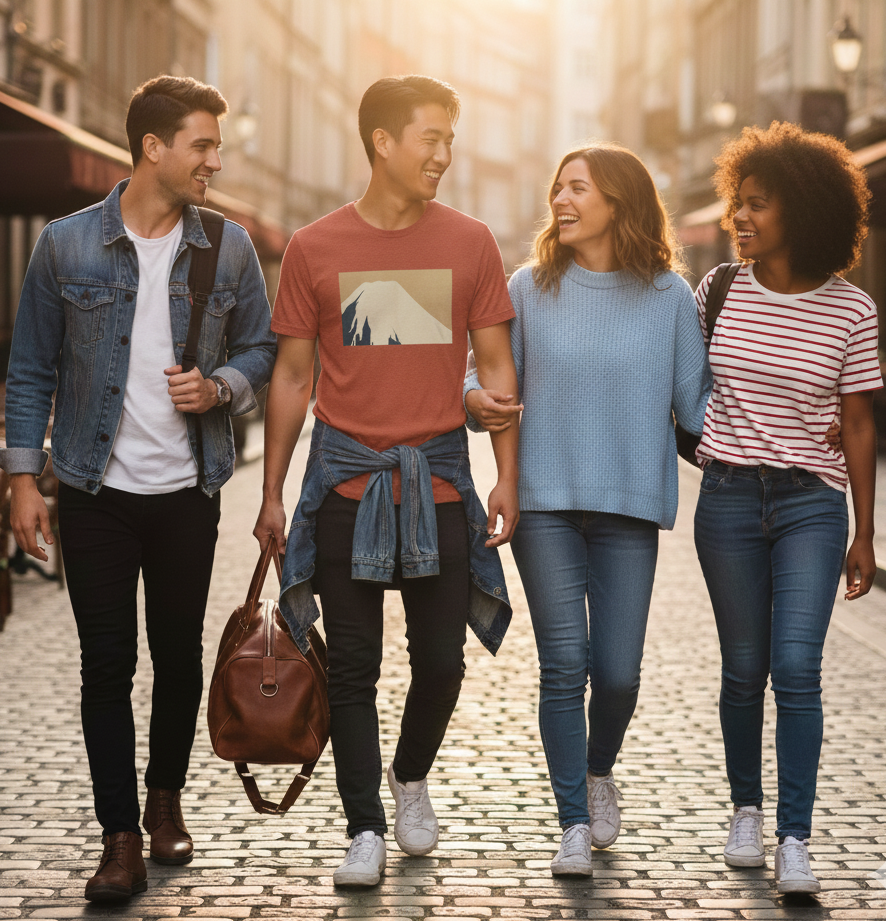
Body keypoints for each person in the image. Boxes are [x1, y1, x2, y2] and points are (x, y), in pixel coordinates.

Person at [0, 75, 276, 902]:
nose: (215, 163)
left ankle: (164, 796)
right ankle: (119, 834)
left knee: (178, 656)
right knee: (104, 663)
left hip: (189, 486)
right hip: (94, 486)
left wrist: (221, 386)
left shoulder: (227, 246)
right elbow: (31, 368)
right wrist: (21, 478)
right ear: (153, 148)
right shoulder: (66, 245)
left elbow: (265, 349)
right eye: (202, 145)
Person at [253, 74, 520, 888]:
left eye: (450, 139)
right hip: (345, 486)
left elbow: (500, 367)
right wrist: (269, 491)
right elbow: (294, 377)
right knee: (352, 669)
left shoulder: (471, 241)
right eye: (430, 138)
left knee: (443, 662)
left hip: (438, 483)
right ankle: (364, 824)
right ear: (382, 142)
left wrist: (506, 476)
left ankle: (410, 777)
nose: (444, 154)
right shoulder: (314, 247)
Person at [464, 143, 711, 876]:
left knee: (621, 673)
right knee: (563, 662)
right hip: (545, 504)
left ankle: (599, 767)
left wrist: (802, 417)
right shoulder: (528, 288)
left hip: (629, 507)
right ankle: (573, 818)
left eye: (578, 188)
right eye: (558, 188)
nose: (561, 201)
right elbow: (483, 381)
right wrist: (472, 402)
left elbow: (699, 410)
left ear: (619, 203)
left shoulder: (669, 296)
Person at [692, 122, 881, 895]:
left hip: (812, 504)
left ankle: (795, 837)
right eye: (739, 203)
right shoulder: (720, 290)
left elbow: (861, 421)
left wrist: (866, 532)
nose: (741, 218)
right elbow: (678, 382)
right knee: (744, 669)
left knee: (797, 667)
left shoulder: (852, 311)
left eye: (758, 206)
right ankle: (746, 808)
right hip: (729, 499)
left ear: (800, 212)